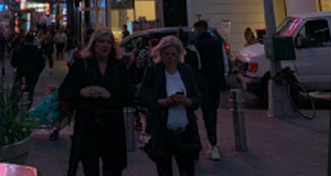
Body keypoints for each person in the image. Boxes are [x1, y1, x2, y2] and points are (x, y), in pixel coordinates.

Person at [58, 27, 134, 176]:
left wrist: (109, 96)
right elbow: (65, 91)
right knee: (90, 167)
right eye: (101, 42)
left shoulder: (118, 67)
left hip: (112, 127)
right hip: (88, 126)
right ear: (94, 44)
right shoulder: (82, 65)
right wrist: (82, 92)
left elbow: (128, 96)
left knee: (112, 169)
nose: (105, 45)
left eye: (108, 42)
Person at [139, 35, 202, 176]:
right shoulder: (153, 71)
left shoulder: (186, 71)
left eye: (173, 54)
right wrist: (162, 102)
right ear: (161, 54)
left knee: (187, 170)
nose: (170, 58)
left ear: (179, 54)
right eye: (167, 54)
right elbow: (143, 97)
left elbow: (197, 97)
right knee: (164, 170)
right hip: (162, 132)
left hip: (185, 131)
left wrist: (188, 101)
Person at [191, 21, 227, 161]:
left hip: (201, 83)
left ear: (199, 29)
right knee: (212, 113)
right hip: (215, 81)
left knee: (197, 113)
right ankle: (213, 145)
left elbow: (196, 65)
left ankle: (204, 146)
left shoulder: (195, 45)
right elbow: (224, 64)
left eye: (195, 29)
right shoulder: (218, 43)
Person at [11, 33, 47, 107]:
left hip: (21, 74)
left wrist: (18, 67)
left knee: (17, 93)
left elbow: (13, 62)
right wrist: (37, 72)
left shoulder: (20, 50)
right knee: (30, 93)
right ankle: (27, 109)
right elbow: (42, 64)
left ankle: (13, 109)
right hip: (32, 75)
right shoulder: (37, 51)